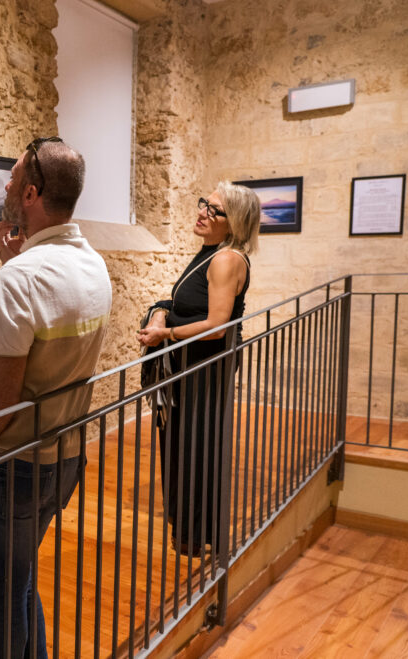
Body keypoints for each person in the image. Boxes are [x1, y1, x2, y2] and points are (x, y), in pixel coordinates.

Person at [0, 137, 113, 659]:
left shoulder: (20, 277)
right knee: (20, 579)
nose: (3, 185)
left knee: (1, 594)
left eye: (11, 178)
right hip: (65, 456)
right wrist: (14, 258)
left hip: (15, 464)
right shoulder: (94, 264)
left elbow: (5, 389)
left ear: (30, 193)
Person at [136, 183, 260, 557]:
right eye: (205, 204)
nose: (204, 211)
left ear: (235, 223)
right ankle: (189, 531)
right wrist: (161, 313)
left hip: (204, 369)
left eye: (215, 210)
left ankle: (197, 533)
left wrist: (166, 332)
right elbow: (182, 303)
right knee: (182, 446)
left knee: (194, 448)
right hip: (192, 367)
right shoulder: (211, 253)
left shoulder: (226, 260)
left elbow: (217, 324)